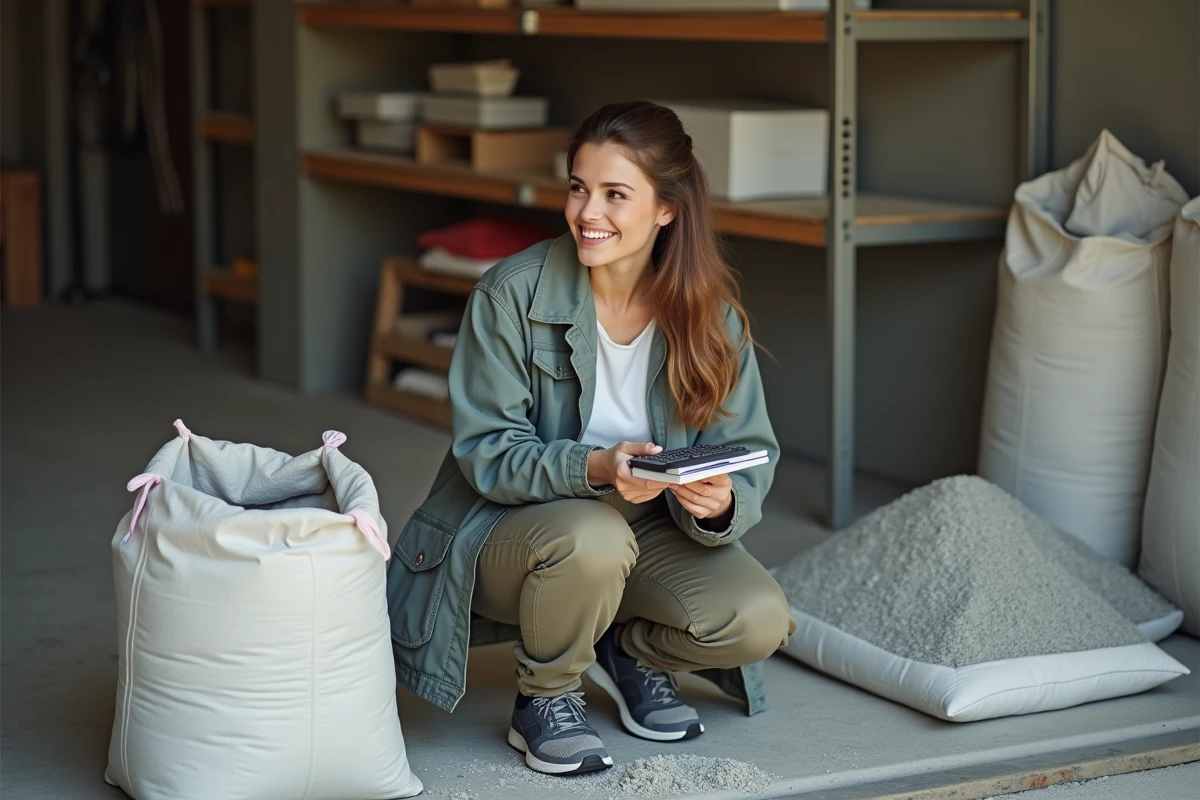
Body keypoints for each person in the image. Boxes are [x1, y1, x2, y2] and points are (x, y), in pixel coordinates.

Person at [385, 100, 796, 777]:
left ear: (666, 209)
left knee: (756, 620)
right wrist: (597, 468)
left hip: (651, 525)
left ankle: (629, 651)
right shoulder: (510, 295)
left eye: (614, 194)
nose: (587, 212)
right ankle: (545, 700)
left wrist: (722, 503)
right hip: (511, 526)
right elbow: (487, 452)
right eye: (578, 188)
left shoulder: (712, 319)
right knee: (592, 536)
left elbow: (749, 448)